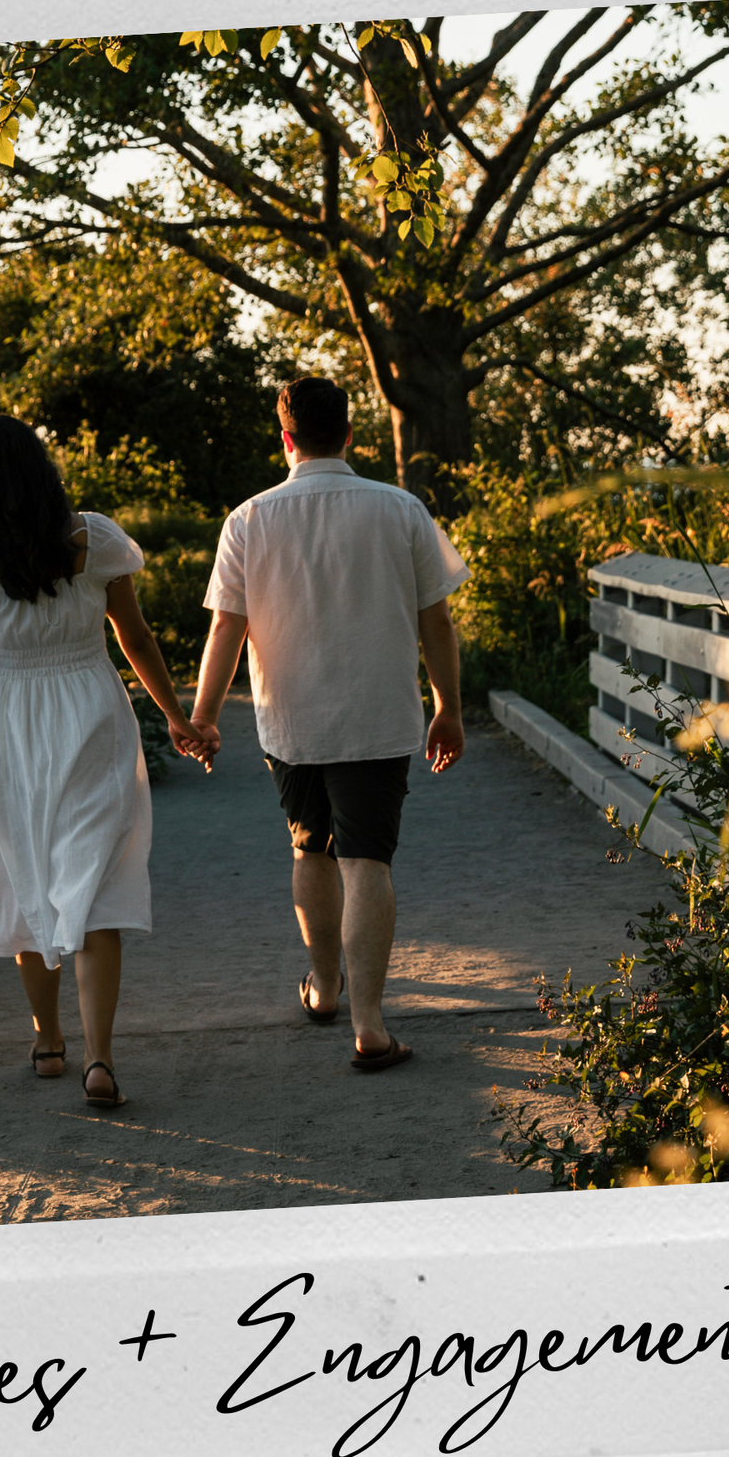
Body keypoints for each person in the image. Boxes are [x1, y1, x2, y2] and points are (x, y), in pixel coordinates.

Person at [186, 378, 469, 1073]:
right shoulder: (402, 509)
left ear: (285, 439)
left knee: (310, 848)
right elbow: (437, 621)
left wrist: (202, 717)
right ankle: (370, 1026)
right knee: (367, 859)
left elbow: (228, 627)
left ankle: (324, 990)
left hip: (291, 718)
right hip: (378, 714)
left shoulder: (248, 520)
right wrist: (449, 707)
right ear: (349, 433)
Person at [0, 414, 212, 1110]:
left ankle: (49, 1042)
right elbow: (136, 638)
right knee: (95, 886)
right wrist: (177, 718)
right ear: (43, 467)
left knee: (29, 872)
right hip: (90, 714)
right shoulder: (95, 538)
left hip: (8, 729)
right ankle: (101, 1059)